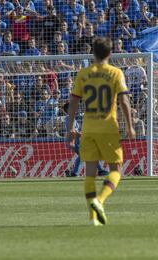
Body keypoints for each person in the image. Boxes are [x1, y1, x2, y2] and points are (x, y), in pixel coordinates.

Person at [66, 37, 136, 226]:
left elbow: (73, 102)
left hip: (88, 128)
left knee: (90, 173)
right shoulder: (115, 73)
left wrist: (70, 127)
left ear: (93, 53)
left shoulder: (83, 73)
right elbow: (124, 101)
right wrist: (129, 126)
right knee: (116, 170)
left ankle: (93, 217)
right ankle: (100, 201)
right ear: (110, 54)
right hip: (108, 128)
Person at [63, 102, 109, 177]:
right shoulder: (69, 118)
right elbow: (73, 132)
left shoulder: (71, 119)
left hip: (76, 141)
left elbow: (75, 131)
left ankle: (74, 173)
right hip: (73, 141)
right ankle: (100, 171)